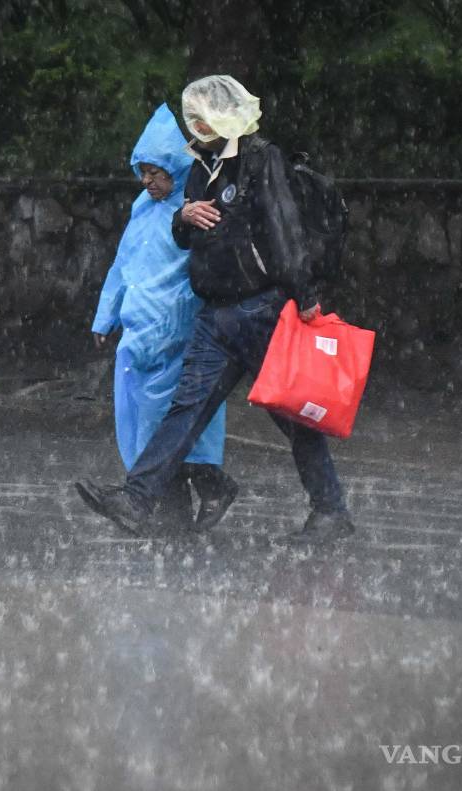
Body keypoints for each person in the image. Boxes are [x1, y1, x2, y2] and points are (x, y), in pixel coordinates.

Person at [75, 75, 355, 544]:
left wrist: (304, 295)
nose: (195, 126)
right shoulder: (199, 166)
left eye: (201, 118)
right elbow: (186, 236)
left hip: (261, 311)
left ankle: (330, 510)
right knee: (186, 409)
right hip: (216, 316)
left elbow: (284, 228)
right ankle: (137, 499)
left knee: (293, 417)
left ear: (223, 117)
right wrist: (183, 217)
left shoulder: (261, 159)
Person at [84, 103, 236, 530]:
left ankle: (171, 506)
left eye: (155, 171)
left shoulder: (194, 208)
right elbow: (124, 264)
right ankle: (174, 513)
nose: (147, 180)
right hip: (140, 334)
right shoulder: (142, 210)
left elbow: (209, 266)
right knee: (144, 421)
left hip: (176, 333)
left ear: (174, 167)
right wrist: (106, 316)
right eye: (143, 172)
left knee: (167, 426)